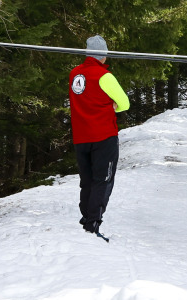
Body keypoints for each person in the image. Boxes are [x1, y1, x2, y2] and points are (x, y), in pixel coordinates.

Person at [69, 35, 130, 234]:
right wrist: (113, 106)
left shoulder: (74, 75)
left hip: (81, 137)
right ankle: (93, 223)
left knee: (86, 179)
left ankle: (86, 215)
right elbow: (125, 103)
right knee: (103, 179)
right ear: (103, 56)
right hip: (103, 136)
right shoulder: (105, 76)